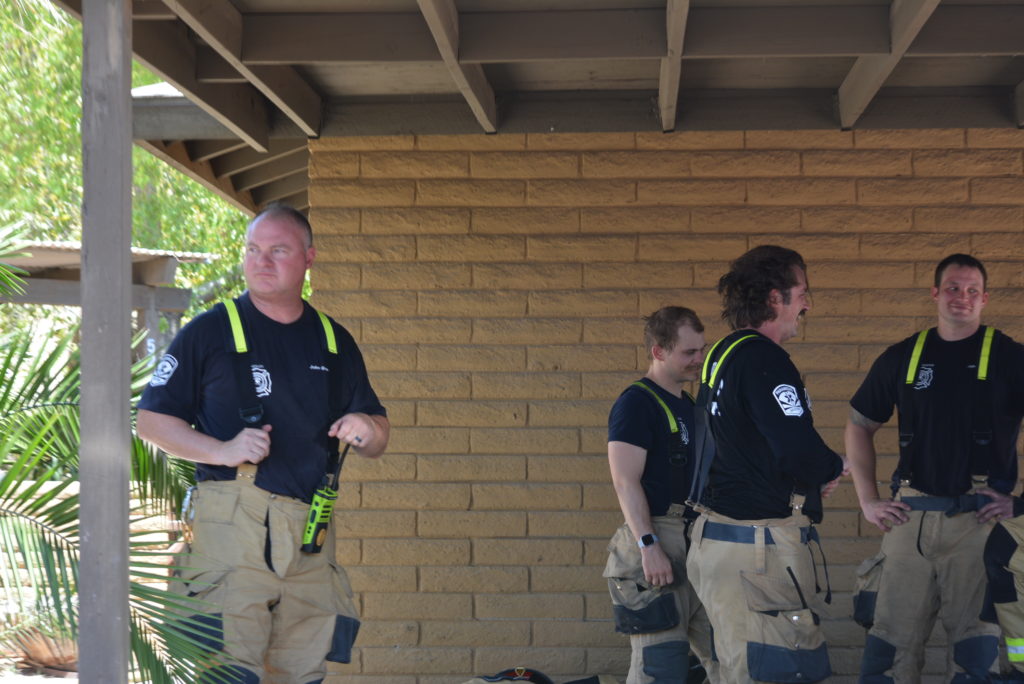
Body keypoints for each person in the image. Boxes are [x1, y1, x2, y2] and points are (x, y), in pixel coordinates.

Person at [137, 203, 390, 684]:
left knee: (303, 674)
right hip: (232, 528)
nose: (261, 261)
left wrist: (367, 427)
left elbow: (377, 436)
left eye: (278, 250)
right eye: (253, 249)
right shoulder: (209, 332)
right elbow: (150, 421)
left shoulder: (334, 341)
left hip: (310, 533)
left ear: (309, 258)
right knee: (230, 673)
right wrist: (220, 451)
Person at [846, 253, 1024, 683]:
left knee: (975, 656)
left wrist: (1020, 504)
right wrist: (868, 500)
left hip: (979, 525)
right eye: (952, 288)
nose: (962, 297)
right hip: (909, 520)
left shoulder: (1011, 358)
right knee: (887, 654)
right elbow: (858, 424)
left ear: (984, 299)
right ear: (935, 293)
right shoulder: (904, 356)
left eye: (972, 290)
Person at [685, 245, 845, 684]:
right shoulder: (764, 359)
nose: (807, 305)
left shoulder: (722, 354)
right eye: (802, 293)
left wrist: (806, 481)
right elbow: (797, 449)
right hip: (757, 552)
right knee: (773, 672)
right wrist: (832, 466)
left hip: (717, 543)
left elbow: (745, 447)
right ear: (776, 298)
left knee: (735, 670)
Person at [603, 306, 719, 684]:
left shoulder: (689, 406)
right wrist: (648, 544)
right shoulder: (637, 402)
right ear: (658, 351)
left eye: (702, 350)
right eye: (689, 352)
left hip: (697, 541)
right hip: (657, 538)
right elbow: (625, 481)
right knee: (661, 667)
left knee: (728, 657)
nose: (699, 359)